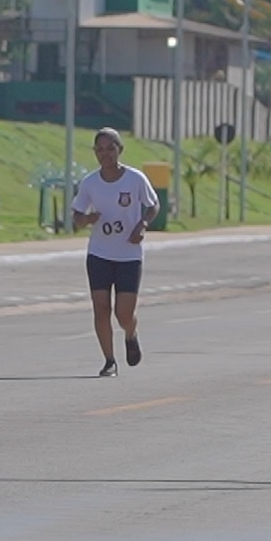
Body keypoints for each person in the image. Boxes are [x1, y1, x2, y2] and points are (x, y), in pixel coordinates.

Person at [71, 127, 159, 377]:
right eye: (100, 149)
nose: (105, 154)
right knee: (101, 308)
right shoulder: (90, 183)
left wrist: (142, 224)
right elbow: (77, 215)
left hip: (128, 255)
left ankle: (130, 334)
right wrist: (86, 219)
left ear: (120, 150)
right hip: (99, 254)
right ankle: (109, 361)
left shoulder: (135, 179)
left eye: (110, 148)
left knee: (123, 313)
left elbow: (153, 205)